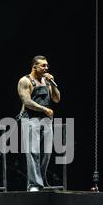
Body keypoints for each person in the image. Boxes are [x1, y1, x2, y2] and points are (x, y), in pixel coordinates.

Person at [17, 55, 61, 191]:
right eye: (43, 65)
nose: (46, 68)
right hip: (30, 119)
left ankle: (40, 181)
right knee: (33, 152)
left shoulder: (47, 81)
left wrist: (52, 83)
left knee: (47, 153)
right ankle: (34, 184)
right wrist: (44, 109)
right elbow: (27, 102)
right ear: (34, 66)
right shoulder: (25, 81)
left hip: (46, 121)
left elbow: (57, 99)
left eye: (47, 65)